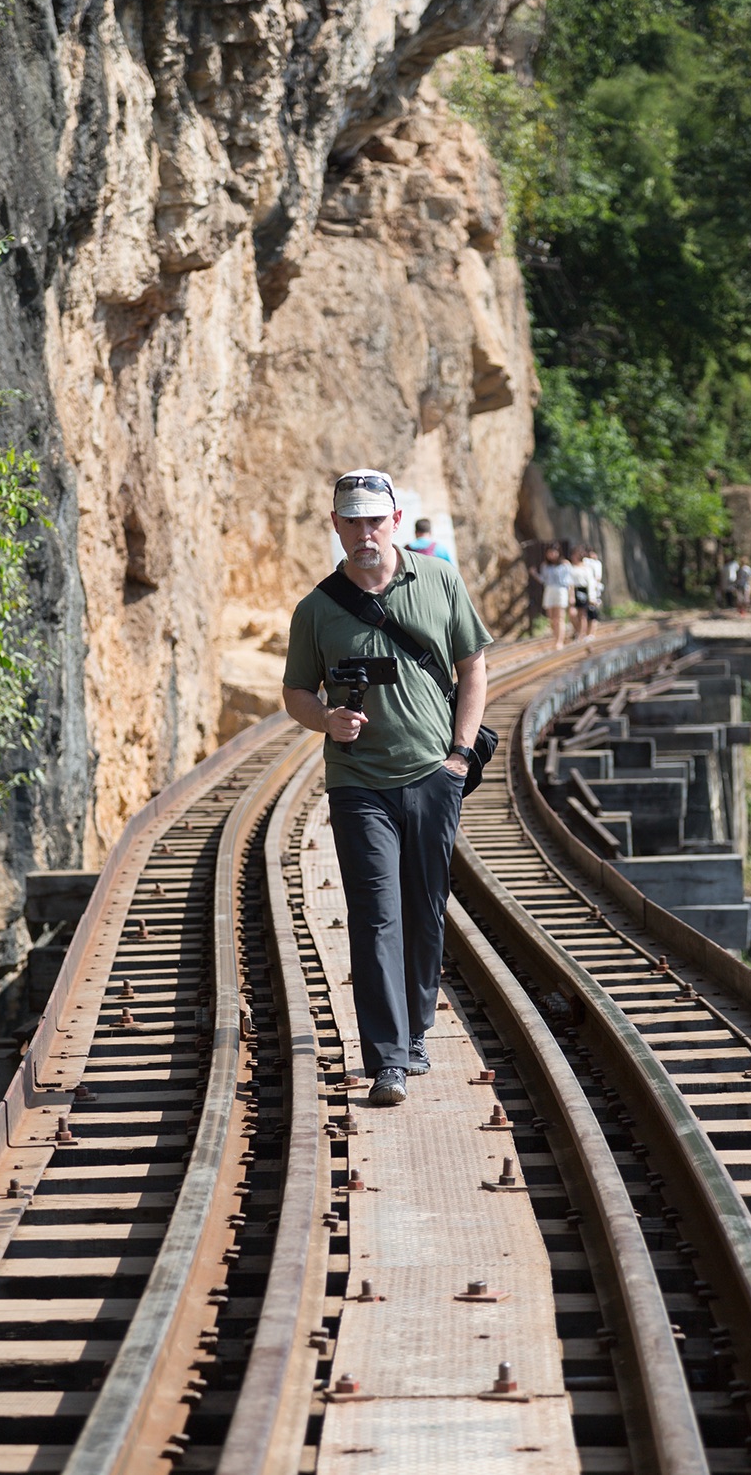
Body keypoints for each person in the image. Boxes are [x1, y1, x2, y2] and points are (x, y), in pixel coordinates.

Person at [282, 468, 492, 1107]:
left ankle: (417, 1029)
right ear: (336, 526)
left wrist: (459, 755)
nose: (365, 533)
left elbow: (473, 666)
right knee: (376, 916)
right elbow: (296, 691)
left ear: (395, 520)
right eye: (353, 521)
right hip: (358, 784)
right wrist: (327, 719)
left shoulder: (439, 580)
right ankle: (388, 1059)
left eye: (375, 520)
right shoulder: (317, 609)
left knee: (425, 910)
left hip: (432, 775)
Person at [533, 540, 572, 648]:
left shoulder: (565, 564)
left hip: (561, 590)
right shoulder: (545, 565)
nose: (552, 554)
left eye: (554, 552)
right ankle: (555, 638)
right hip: (549, 590)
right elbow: (544, 580)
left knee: (559, 618)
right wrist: (535, 574)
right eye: (549, 552)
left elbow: (570, 582)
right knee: (551, 618)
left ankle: (559, 641)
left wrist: (571, 596)